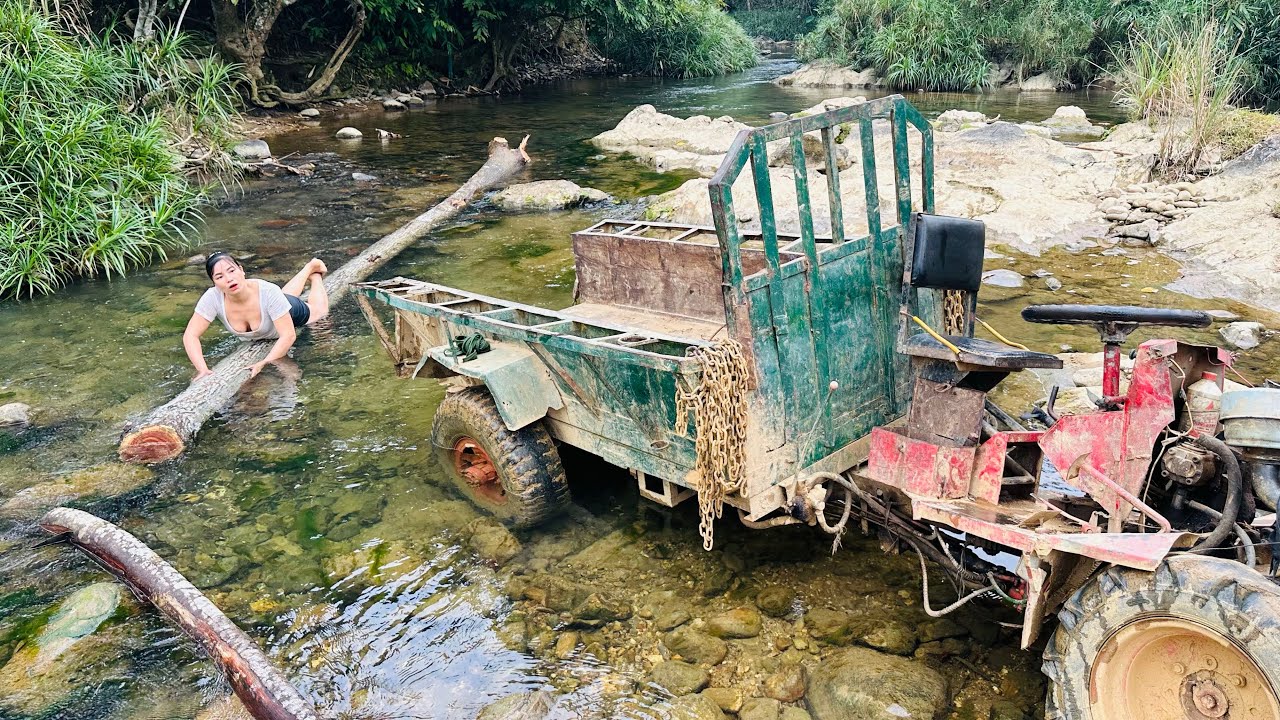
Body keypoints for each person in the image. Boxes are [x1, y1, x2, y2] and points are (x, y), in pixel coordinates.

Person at [184, 253, 329, 381]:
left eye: (232, 271)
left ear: (241, 270)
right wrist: (202, 369)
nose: (229, 279)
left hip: (291, 313)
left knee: (320, 312)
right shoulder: (212, 297)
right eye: (219, 276)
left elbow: (288, 335)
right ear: (214, 283)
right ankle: (308, 268)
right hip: (275, 304)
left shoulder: (268, 291)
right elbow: (190, 335)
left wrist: (266, 362)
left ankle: (314, 274)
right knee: (281, 297)